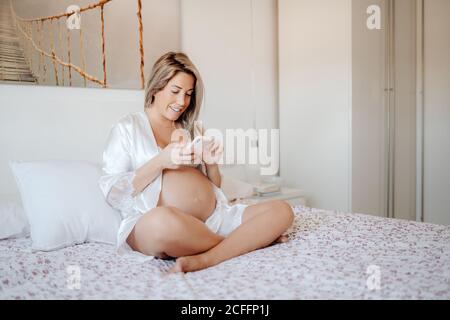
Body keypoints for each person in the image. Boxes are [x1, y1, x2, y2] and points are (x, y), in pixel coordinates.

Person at [99, 52, 294, 273]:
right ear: (156, 87)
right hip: (162, 224)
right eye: (175, 91)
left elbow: (215, 189)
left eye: (189, 94)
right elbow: (113, 192)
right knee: (161, 223)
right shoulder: (128, 128)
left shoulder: (191, 128)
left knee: (282, 210)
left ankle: (206, 258)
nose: (182, 102)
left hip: (212, 219)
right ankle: (243, 241)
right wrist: (161, 161)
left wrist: (211, 164)